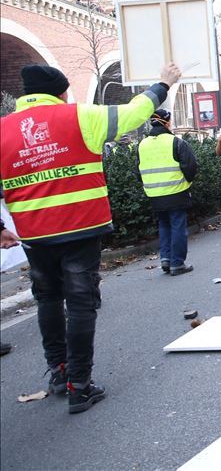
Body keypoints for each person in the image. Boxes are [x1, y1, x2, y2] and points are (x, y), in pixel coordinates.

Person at [0, 61, 180, 413]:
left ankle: (59, 371)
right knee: (81, 302)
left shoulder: (3, 130)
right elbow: (133, 112)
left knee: (48, 299)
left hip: (34, 234)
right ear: (62, 91)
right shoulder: (80, 116)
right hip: (81, 227)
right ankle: (80, 385)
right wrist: (164, 84)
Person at [135, 109, 197, 275]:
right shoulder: (176, 142)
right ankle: (177, 263)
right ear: (167, 122)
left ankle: (166, 259)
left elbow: (137, 171)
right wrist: (187, 181)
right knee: (177, 226)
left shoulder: (142, 145)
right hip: (176, 191)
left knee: (163, 224)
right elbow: (190, 166)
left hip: (154, 194)